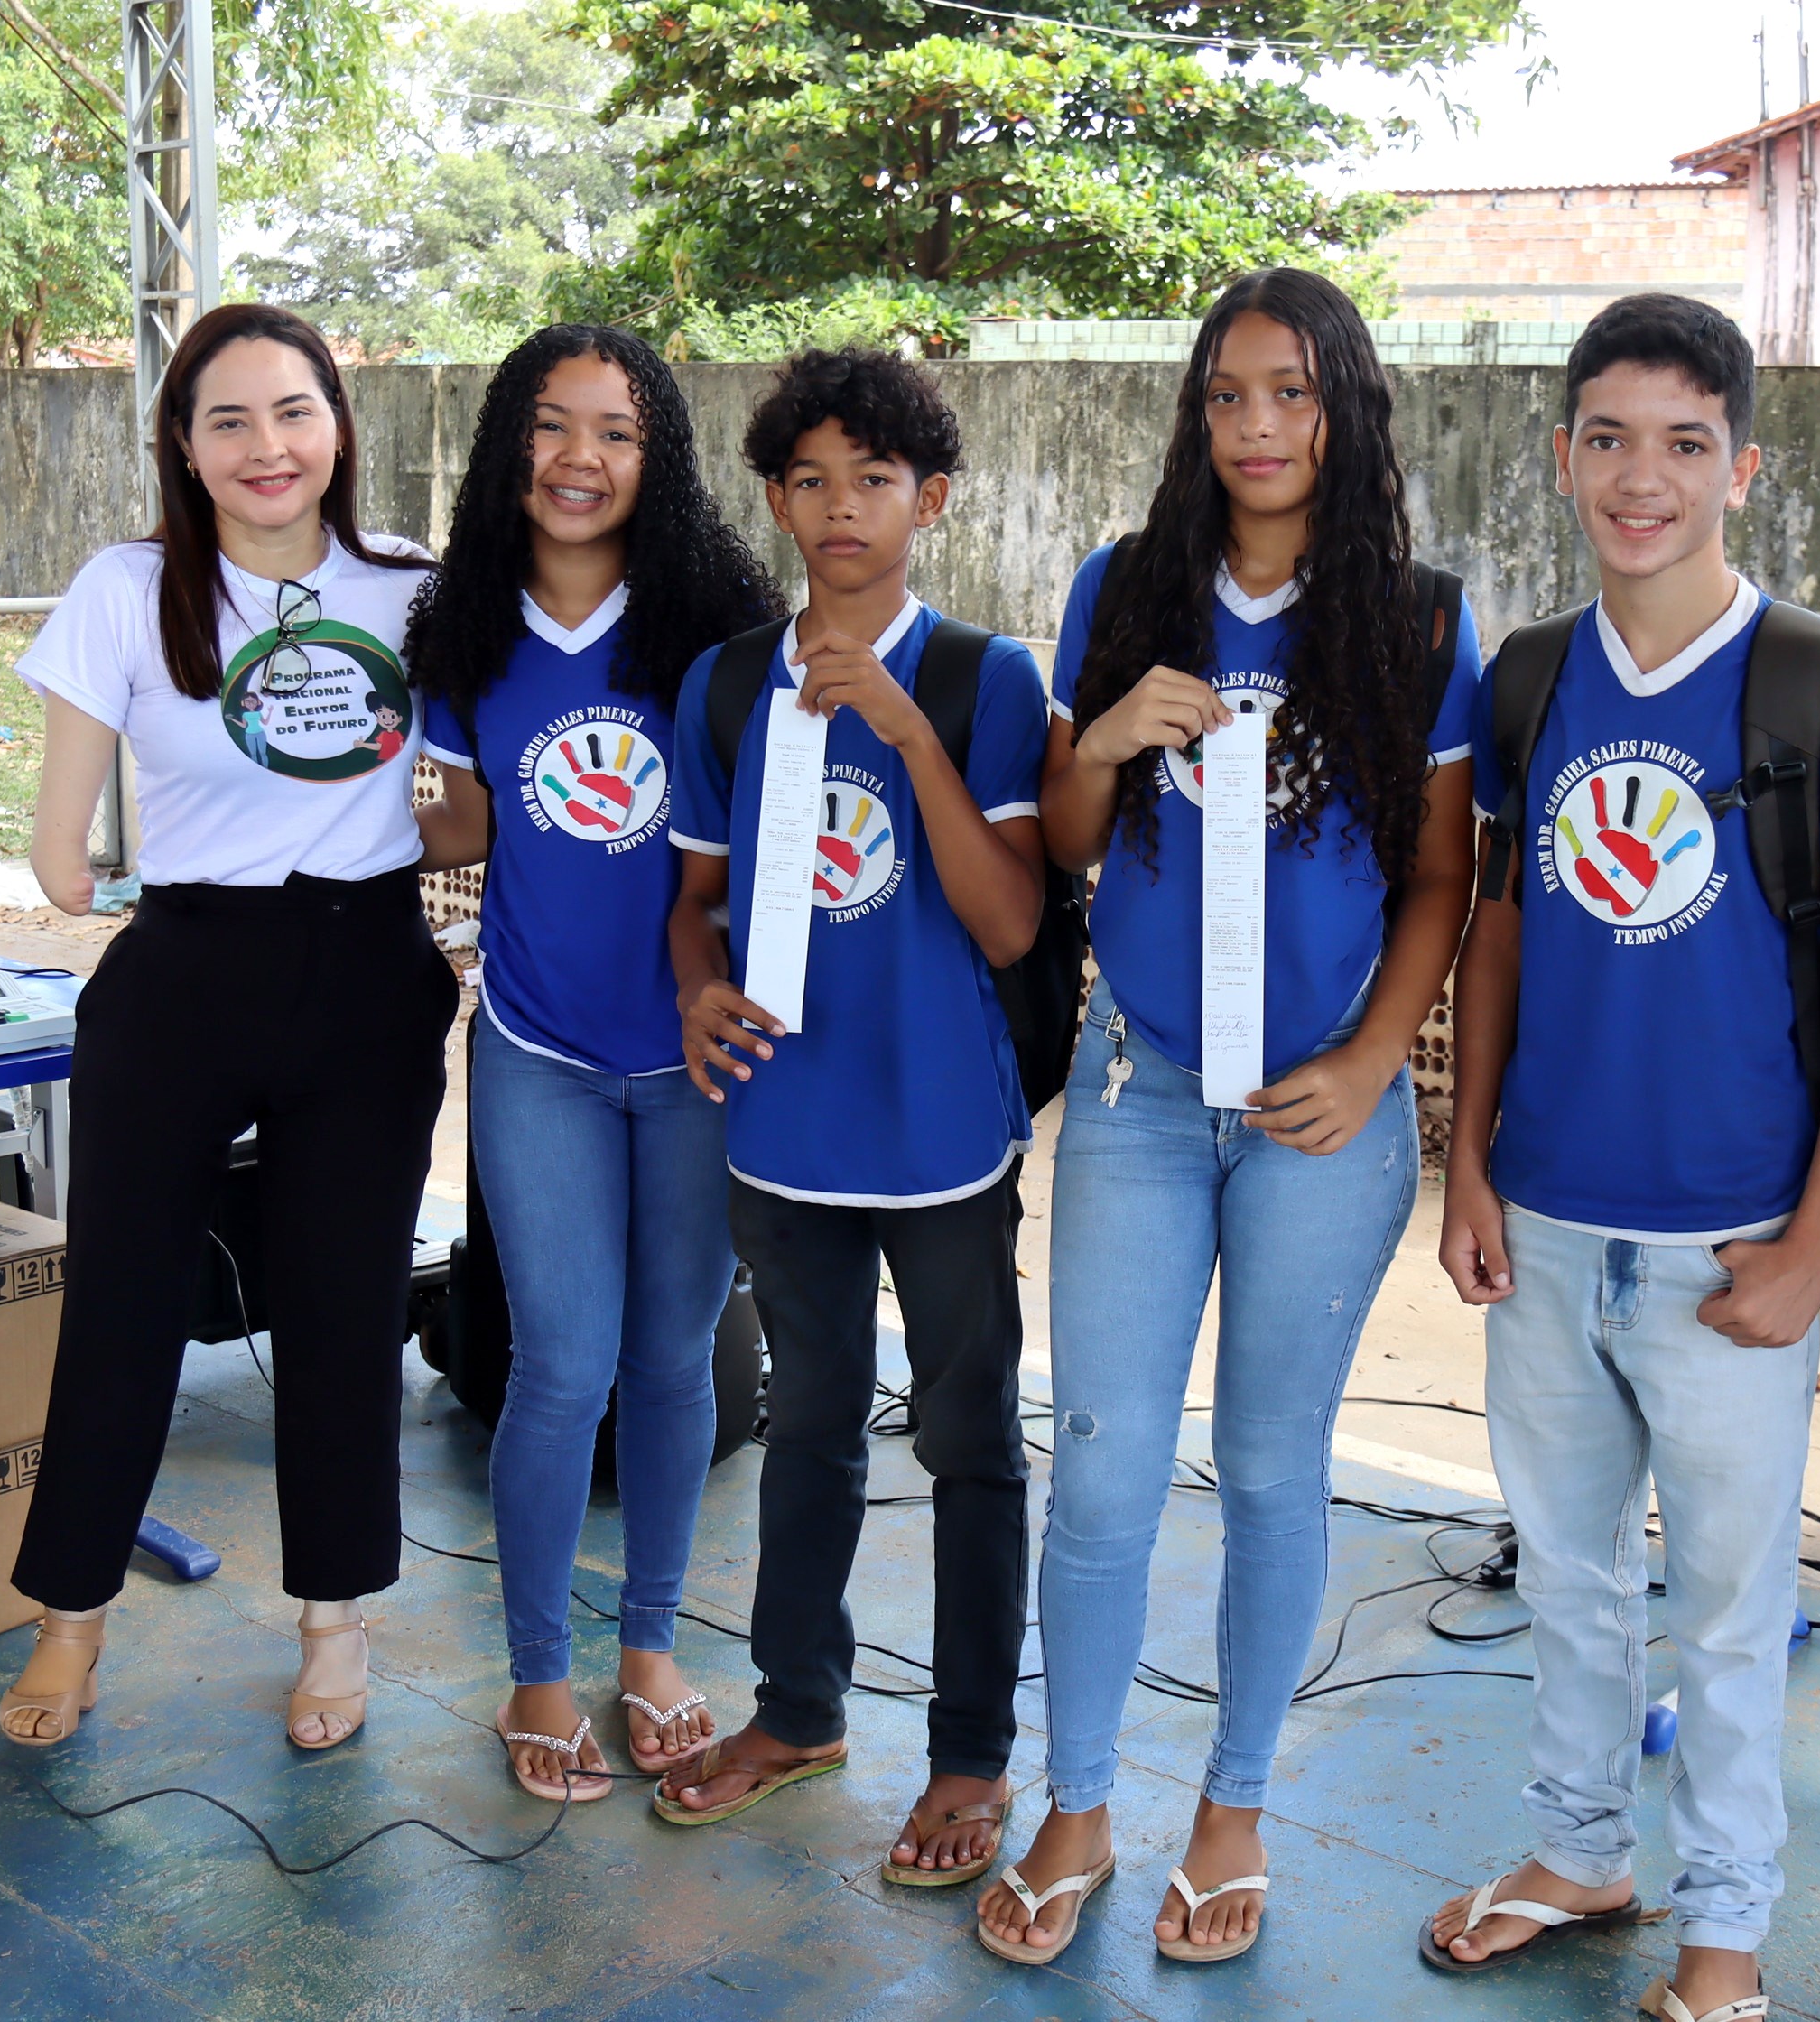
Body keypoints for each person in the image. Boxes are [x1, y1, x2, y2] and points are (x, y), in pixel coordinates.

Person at [1421, 294, 1820, 2022]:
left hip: (1730, 1248)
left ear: (1743, 470)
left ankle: (1727, 1932)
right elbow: (1493, 927)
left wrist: (1815, 1244)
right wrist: (1468, 1166)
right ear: (1564, 459)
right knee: (1565, 1574)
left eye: (1687, 444)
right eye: (1612, 439)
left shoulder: (1818, 687)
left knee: (1723, 1608)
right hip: (1545, 1224)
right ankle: (1580, 1847)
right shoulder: (1532, 679)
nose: (1646, 478)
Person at [979, 268, 1480, 1969]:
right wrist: (1107, 733)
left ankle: (1237, 1803)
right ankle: (1078, 1802)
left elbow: (1439, 880)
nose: (1257, 428)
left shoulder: (1416, 620)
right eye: (1226, 396)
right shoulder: (1121, 590)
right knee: (1105, 1466)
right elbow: (1059, 842)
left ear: (1346, 408)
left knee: (1274, 1471)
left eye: (1292, 393)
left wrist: (1374, 1059)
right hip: (1133, 1091)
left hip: (1316, 1109)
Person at [0, 302, 460, 1754]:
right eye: (229, 421)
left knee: (342, 1313)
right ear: (184, 449)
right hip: (185, 971)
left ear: (340, 425)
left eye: (294, 412)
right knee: (121, 1310)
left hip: (370, 973)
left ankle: (336, 1628)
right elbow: (59, 861)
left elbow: (467, 800)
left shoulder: (416, 593)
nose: (268, 447)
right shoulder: (128, 589)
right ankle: (68, 1628)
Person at [649, 350, 1053, 1897]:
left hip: (942, 1133)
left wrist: (908, 735)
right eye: (808, 480)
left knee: (968, 1440)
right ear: (772, 498)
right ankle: (799, 1712)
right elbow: (696, 905)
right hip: (781, 1130)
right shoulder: (728, 683)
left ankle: (969, 1755)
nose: (839, 508)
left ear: (929, 501)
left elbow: (1012, 924)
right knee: (808, 1428)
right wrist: (698, 994)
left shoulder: (983, 680)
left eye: (872, 480)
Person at [407, 325, 782, 1803]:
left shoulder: (711, 623)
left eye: (616, 433)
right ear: (511, 449)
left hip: (695, 1057)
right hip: (539, 1051)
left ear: (658, 457)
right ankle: (539, 1674)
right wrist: (385, 768)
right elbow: (459, 827)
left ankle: (650, 1649)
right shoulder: (461, 626)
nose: (580, 459)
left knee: (674, 1356)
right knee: (559, 1367)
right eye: (551, 429)